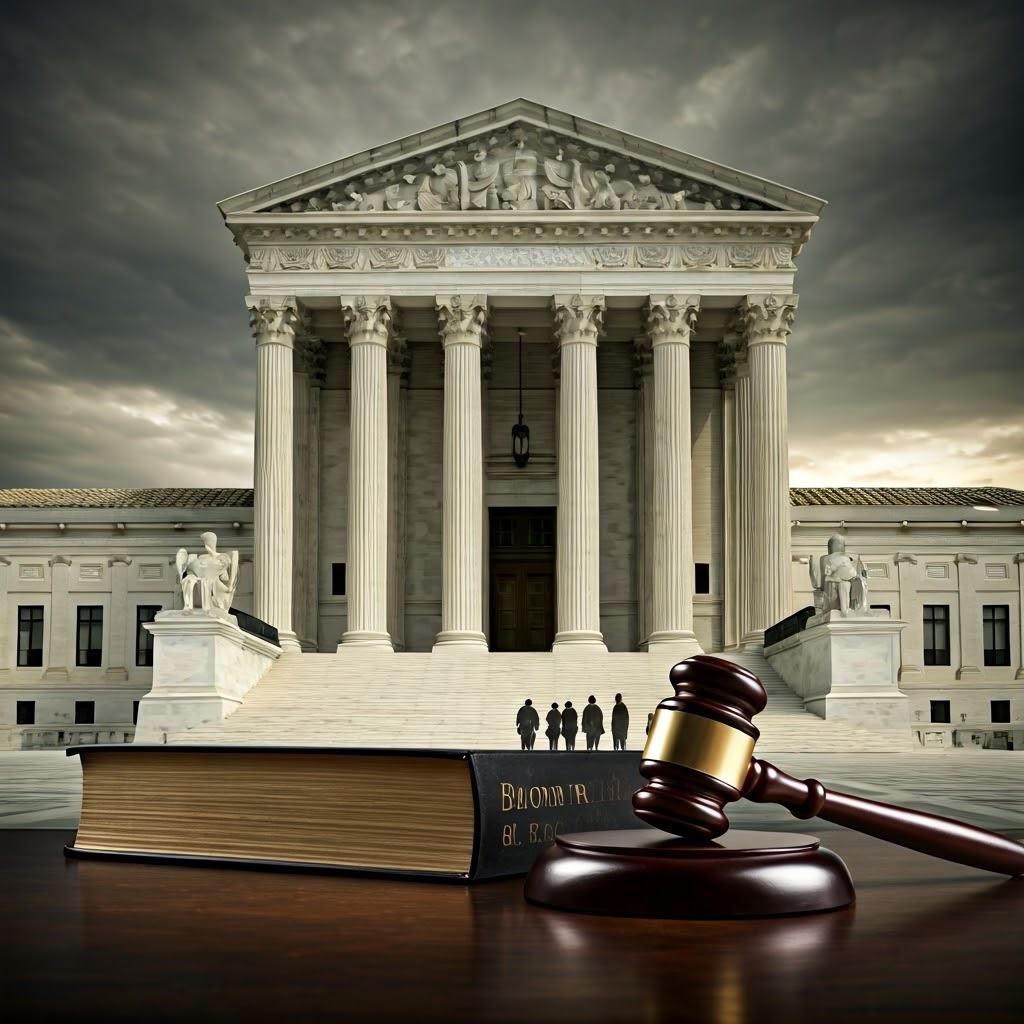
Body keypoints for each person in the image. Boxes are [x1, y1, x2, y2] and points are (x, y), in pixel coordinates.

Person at [175, 532, 238, 613]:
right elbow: (191, 571)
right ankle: (189, 606)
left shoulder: (220, 560)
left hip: (214, 588)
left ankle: (204, 607)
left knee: (207, 581)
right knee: (190, 580)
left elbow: (225, 579)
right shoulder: (202, 560)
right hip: (201, 586)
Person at [809, 534, 869, 616]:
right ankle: (851, 609)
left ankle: (848, 610)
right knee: (847, 584)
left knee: (846, 584)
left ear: (829, 548)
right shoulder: (852, 559)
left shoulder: (824, 559)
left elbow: (817, 584)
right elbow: (860, 577)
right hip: (841, 591)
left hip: (834, 593)